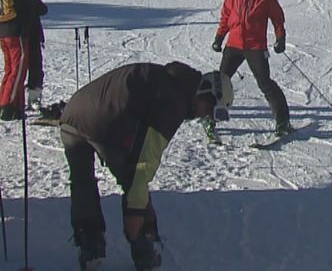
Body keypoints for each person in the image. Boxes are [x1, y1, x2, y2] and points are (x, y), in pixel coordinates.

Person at [58, 62, 233, 271]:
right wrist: (136, 212)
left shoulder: (169, 80)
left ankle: (90, 245)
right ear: (204, 91)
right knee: (134, 181)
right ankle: (144, 246)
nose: (206, 116)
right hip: (103, 124)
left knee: (82, 180)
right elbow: (144, 162)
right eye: (209, 109)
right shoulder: (172, 101)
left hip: (72, 115)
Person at [210, 0, 292, 142]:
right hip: (234, 45)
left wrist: (280, 38)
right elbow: (225, 18)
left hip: (255, 47)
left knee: (265, 83)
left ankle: (283, 121)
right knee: (221, 82)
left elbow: (277, 18)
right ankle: (210, 119)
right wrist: (219, 38)